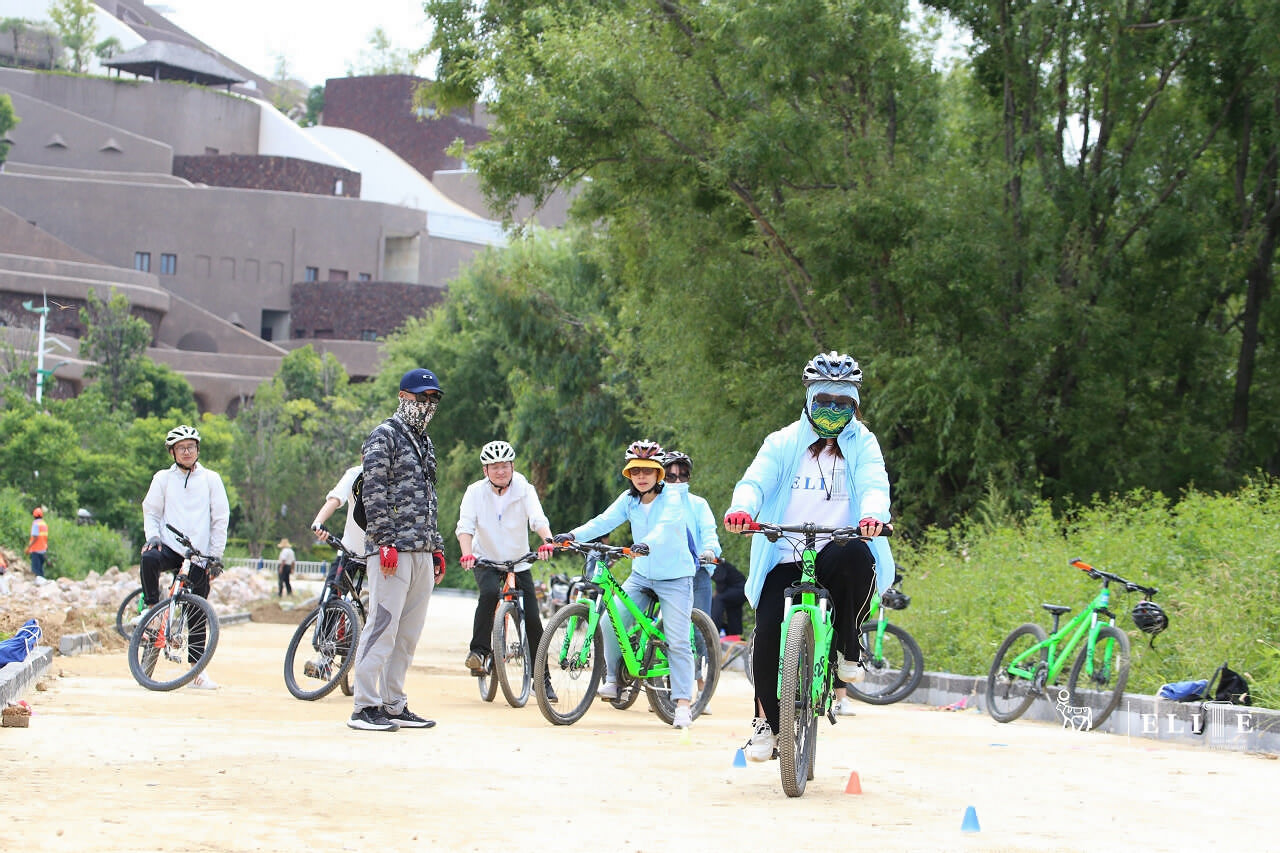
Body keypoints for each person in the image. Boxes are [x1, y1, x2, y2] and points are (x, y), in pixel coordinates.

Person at [723, 351, 895, 760]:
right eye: (824, 401)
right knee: (767, 632)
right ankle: (767, 725)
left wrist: (873, 515)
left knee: (858, 556)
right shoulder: (782, 442)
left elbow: (875, 483)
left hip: (839, 548)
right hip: (786, 553)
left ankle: (848, 648)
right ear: (809, 400)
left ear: (854, 405)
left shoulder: (864, 444)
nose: (833, 411)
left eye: (842, 403)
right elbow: (755, 481)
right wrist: (742, 508)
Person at [553, 440, 698, 729]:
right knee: (609, 622)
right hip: (642, 575)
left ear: (658, 473)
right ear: (629, 474)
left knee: (678, 639)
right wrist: (572, 535)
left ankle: (682, 704)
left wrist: (645, 544)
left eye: (647, 470)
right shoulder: (629, 500)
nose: (641, 476)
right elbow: (603, 521)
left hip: (675, 577)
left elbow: (665, 527)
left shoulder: (671, 499)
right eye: (635, 471)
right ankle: (613, 680)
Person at [347, 368, 446, 732]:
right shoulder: (384, 435)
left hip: (421, 550)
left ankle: (393, 703)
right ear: (403, 397)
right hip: (391, 551)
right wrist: (384, 540)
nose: (427, 404)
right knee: (383, 626)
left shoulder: (425, 442)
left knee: (407, 635)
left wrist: (437, 547)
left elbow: (430, 499)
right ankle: (364, 705)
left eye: (433, 399)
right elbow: (373, 491)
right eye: (421, 397)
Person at [457, 440, 558, 698]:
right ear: (485, 471)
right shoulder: (474, 492)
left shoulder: (524, 489)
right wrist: (467, 553)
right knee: (489, 594)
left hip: (519, 561)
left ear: (512, 466)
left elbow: (537, 519)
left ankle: (542, 680)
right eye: (494, 467)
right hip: (486, 559)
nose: (500, 471)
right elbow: (465, 526)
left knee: (533, 619)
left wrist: (548, 541)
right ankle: (479, 652)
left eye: (504, 466)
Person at [141, 424, 230, 690]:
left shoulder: (211, 479)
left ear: (198, 449)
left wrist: (215, 556)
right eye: (181, 448)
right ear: (172, 452)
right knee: (149, 558)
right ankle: (151, 610)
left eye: (191, 446)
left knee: (197, 610)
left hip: (199, 553)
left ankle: (196, 672)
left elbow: (220, 518)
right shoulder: (162, 479)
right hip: (170, 546)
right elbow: (151, 511)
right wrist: (152, 537)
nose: (187, 451)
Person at [710, 557, 747, 637]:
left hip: (739, 589)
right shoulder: (716, 560)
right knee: (733, 609)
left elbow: (720, 581)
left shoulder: (713, 561)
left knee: (718, 599)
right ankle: (735, 635)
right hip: (740, 589)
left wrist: (717, 592)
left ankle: (713, 633)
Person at [24, 507, 48, 578]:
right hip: (43, 550)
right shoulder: (44, 524)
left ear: (34, 515)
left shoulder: (35, 524)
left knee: (36, 570)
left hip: (36, 550)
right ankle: (42, 582)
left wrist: (29, 547)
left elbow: (35, 537)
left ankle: (38, 583)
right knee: (40, 570)